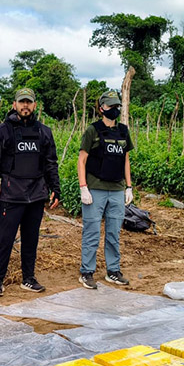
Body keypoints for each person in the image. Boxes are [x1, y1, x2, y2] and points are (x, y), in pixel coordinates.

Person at [0, 87, 60, 297]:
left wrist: (56, 188)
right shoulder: (3, 131)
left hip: (36, 195)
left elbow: (50, 162)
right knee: (4, 239)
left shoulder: (44, 131)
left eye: (29, 102)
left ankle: (29, 278)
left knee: (31, 239)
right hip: (11, 195)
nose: (25, 105)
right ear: (14, 104)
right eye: (21, 102)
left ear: (35, 105)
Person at [77, 90, 134, 289]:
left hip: (117, 189)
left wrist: (129, 187)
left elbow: (126, 160)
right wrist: (83, 187)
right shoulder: (93, 130)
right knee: (92, 232)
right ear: (101, 108)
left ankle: (113, 271)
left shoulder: (123, 131)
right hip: (96, 188)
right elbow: (82, 160)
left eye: (117, 106)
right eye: (111, 106)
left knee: (114, 233)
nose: (114, 109)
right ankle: (86, 272)